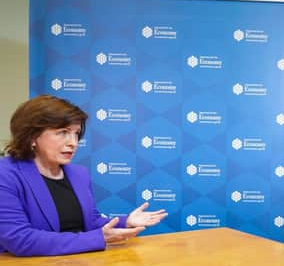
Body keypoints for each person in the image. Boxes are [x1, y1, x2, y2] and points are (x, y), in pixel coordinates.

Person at [0, 95, 168, 257]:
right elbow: (19, 239)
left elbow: (91, 222)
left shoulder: (79, 174)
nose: (73, 142)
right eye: (63, 132)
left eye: (76, 133)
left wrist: (126, 221)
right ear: (32, 136)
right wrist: (98, 238)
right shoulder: (6, 174)